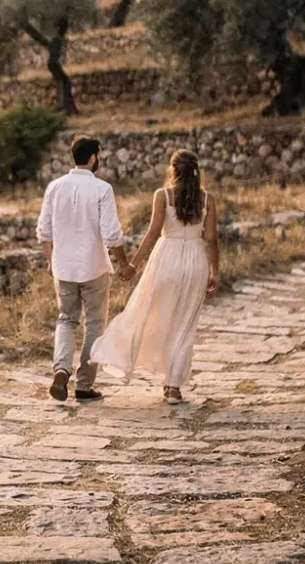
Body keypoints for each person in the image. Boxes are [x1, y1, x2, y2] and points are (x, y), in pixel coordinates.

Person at [91, 149, 219, 404]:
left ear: (173, 170)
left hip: (166, 259)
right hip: (196, 261)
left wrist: (133, 265)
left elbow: (152, 234)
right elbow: (212, 238)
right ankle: (173, 387)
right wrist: (215, 271)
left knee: (148, 312)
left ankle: (130, 357)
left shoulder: (163, 195)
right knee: (185, 325)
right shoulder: (207, 200)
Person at [35, 134, 133, 402]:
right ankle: (84, 385)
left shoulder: (54, 187)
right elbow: (112, 235)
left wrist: (49, 259)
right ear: (92, 158)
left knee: (66, 320)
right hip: (94, 268)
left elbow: (43, 231)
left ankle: (62, 369)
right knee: (94, 325)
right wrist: (123, 262)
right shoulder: (102, 189)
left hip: (63, 268)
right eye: (97, 156)